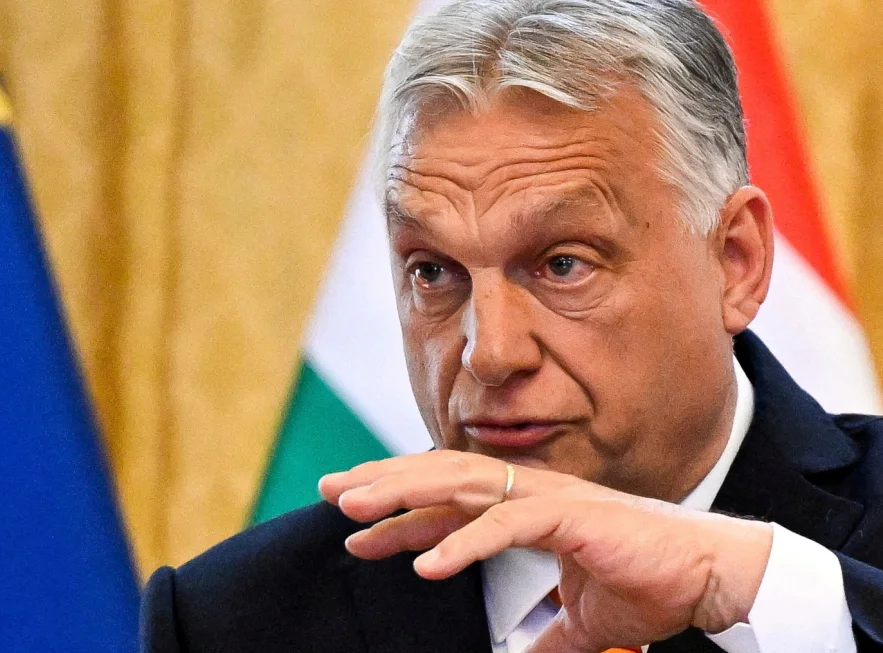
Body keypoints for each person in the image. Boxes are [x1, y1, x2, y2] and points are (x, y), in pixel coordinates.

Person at [140, 1, 883, 651]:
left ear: (736, 260)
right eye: (433, 271)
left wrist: (758, 595)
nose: (489, 353)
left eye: (562, 264)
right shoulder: (232, 618)